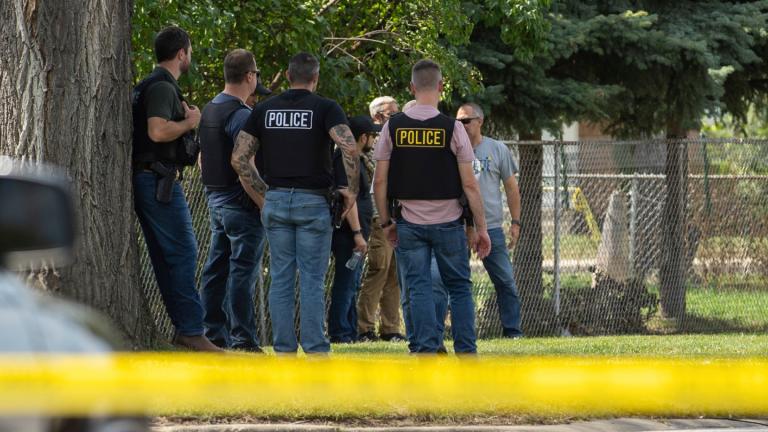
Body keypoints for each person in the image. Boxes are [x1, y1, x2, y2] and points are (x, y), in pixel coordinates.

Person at [232, 52, 359, 354]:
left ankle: (284, 351)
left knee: (281, 278)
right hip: (313, 202)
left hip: (276, 200)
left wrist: (265, 193)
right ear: (315, 78)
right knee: (312, 280)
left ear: (288, 76)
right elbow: (350, 149)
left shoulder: (265, 108)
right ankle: (316, 351)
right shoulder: (326, 108)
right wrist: (351, 191)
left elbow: (238, 158)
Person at [372, 59, 491, 354]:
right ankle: (466, 352)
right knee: (460, 287)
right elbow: (470, 185)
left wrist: (386, 223)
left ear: (412, 88)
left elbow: (380, 182)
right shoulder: (453, 128)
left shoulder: (393, 127)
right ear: (440, 87)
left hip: (409, 223)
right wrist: (480, 228)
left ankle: (424, 351)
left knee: (419, 287)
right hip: (450, 222)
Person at [131, 26, 221, 351]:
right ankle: (192, 332)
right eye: (190, 51)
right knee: (183, 251)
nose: (190, 56)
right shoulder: (161, 87)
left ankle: (185, 330)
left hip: (152, 179)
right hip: (158, 180)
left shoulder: (153, 84)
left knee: (167, 256)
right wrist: (190, 122)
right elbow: (157, 131)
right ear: (182, 53)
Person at [198, 49, 272, 352]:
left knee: (216, 268)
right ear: (250, 76)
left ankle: (212, 332)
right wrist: (264, 202)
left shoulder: (210, 109)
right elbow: (243, 163)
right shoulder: (242, 114)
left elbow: (203, 158)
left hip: (215, 200)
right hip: (240, 205)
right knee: (242, 271)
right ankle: (244, 338)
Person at [433, 103, 524, 339]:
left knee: (505, 281)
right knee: (451, 282)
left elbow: (512, 188)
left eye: (466, 121)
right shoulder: (450, 149)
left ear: (480, 121)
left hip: (491, 227)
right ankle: (443, 333)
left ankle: (513, 331)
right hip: (457, 227)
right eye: (458, 122)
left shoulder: (497, 149)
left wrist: (515, 222)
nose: (461, 126)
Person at [356, 96, 406, 343]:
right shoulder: (372, 146)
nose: (397, 118)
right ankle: (364, 328)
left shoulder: (398, 143)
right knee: (379, 270)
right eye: (391, 115)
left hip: (400, 217)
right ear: (377, 117)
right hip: (378, 219)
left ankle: (391, 328)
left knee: (396, 274)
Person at [327, 116, 378, 343]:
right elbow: (350, 199)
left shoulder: (357, 158)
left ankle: (349, 330)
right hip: (349, 235)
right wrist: (357, 234)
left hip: (357, 233)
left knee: (352, 281)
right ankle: (339, 332)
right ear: (362, 137)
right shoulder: (346, 158)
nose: (374, 140)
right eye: (372, 135)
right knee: (345, 282)